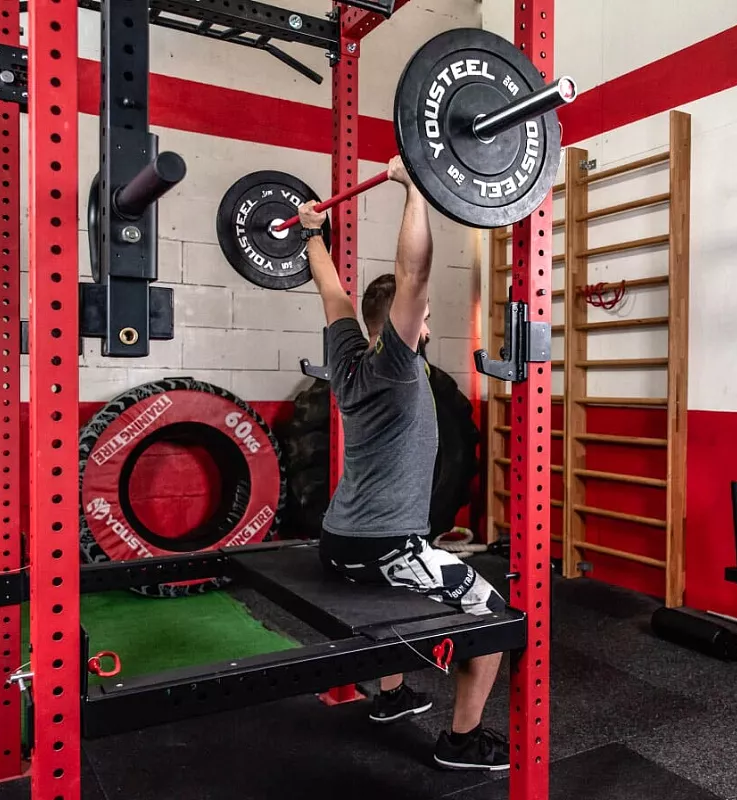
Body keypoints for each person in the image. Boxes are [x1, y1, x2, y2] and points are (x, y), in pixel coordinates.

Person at [295, 155, 509, 772]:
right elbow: (413, 274)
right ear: (403, 324)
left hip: (339, 542)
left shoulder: (346, 356)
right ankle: (462, 741)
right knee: (493, 613)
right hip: (385, 545)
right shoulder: (396, 362)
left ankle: (392, 697)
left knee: (395, 594)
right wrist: (415, 189)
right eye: (422, 317)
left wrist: (312, 233)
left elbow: (330, 291)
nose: (426, 322)